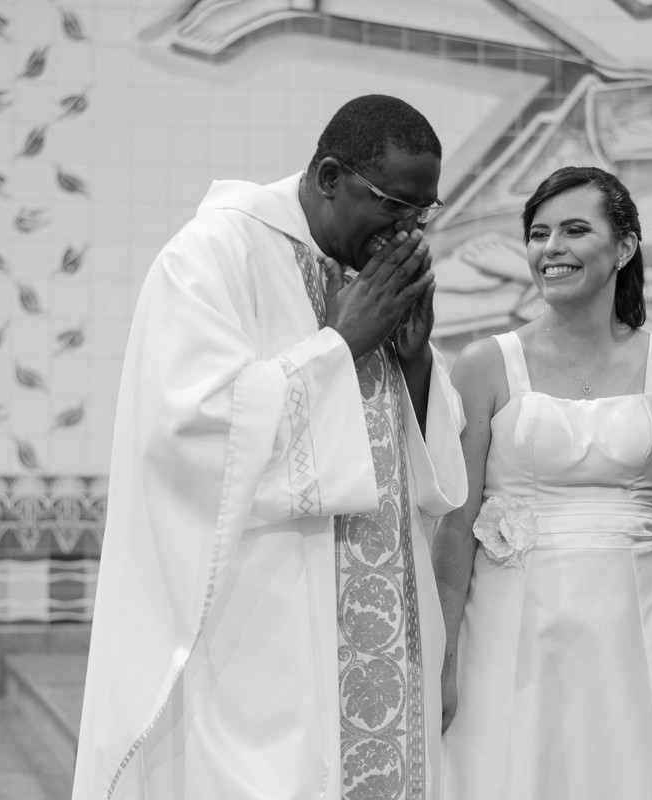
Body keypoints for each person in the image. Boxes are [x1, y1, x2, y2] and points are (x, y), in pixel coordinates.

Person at [71, 95, 468, 800]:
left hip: (383, 631)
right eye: (393, 206)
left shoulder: (370, 266)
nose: (407, 232)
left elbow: (424, 469)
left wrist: (415, 365)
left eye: (423, 214)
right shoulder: (212, 256)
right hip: (262, 636)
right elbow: (189, 431)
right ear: (327, 177)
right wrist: (341, 343)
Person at [433, 166, 652, 799]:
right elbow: (455, 527)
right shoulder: (485, 363)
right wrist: (443, 658)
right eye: (537, 233)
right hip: (509, 625)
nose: (550, 248)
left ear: (625, 246)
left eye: (574, 229)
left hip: (637, 619)